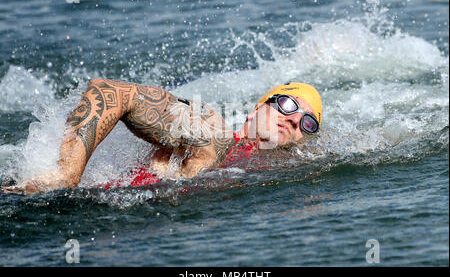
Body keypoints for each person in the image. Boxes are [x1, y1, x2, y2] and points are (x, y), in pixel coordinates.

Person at [2, 79, 322, 195]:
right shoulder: (213, 132)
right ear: (255, 111)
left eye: (308, 123)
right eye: (286, 104)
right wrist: (65, 174)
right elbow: (109, 91)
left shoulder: (281, 178)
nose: (294, 118)